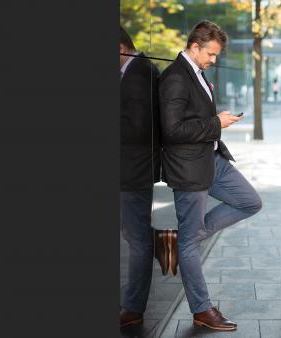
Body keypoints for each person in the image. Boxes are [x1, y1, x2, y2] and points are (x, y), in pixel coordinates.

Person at [158, 20, 262, 332]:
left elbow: (193, 119)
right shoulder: (175, 78)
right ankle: (202, 310)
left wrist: (215, 124)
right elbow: (172, 130)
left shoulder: (196, 74)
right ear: (194, 46)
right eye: (211, 54)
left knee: (249, 201)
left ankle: (186, 238)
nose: (213, 61)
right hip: (189, 168)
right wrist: (216, 123)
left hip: (211, 158)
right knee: (190, 245)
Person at [118, 26, 162, 328]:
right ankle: (157, 239)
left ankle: (133, 308)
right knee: (135, 235)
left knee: (136, 239)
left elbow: (140, 128)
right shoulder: (133, 72)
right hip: (129, 168)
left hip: (132, 171)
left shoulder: (139, 74)